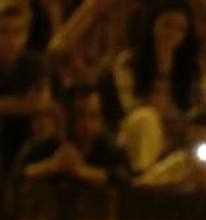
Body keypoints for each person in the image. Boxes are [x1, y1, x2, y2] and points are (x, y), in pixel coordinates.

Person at [106, 0, 206, 173]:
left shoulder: (196, 69)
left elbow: (200, 112)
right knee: (146, 120)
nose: (172, 34)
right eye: (167, 26)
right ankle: (146, 182)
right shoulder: (127, 63)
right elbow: (134, 110)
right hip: (140, 134)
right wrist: (162, 69)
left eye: (180, 29)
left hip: (181, 135)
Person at [12, 84, 131, 187]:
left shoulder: (110, 150)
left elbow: (126, 180)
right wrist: (50, 166)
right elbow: (15, 178)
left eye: (93, 116)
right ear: (65, 116)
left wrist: (82, 171)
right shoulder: (40, 148)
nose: (87, 125)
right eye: (80, 116)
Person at [0, 0, 47, 178]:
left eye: (17, 32)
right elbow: (31, 103)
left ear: (26, 35)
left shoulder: (34, 64)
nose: (10, 40)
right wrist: (22, 104)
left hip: (24, 134)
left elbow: (41, 102)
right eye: (3, 31)